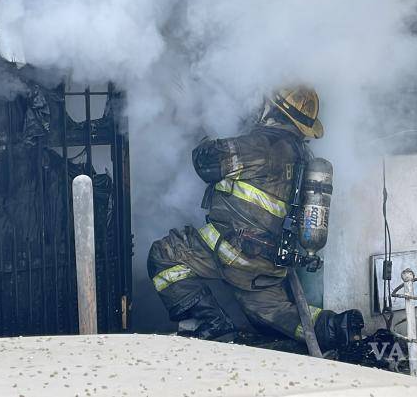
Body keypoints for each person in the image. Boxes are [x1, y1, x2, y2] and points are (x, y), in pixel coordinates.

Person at [147, 86, 365, 351]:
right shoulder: (301, 154)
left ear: (271, 109)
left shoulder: (263, 144)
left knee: (164, 255)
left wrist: (201, 127)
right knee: (274, 314)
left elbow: (206, 162)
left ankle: (213, 324)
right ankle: (335, 327)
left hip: (232, 251)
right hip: (268, 264)